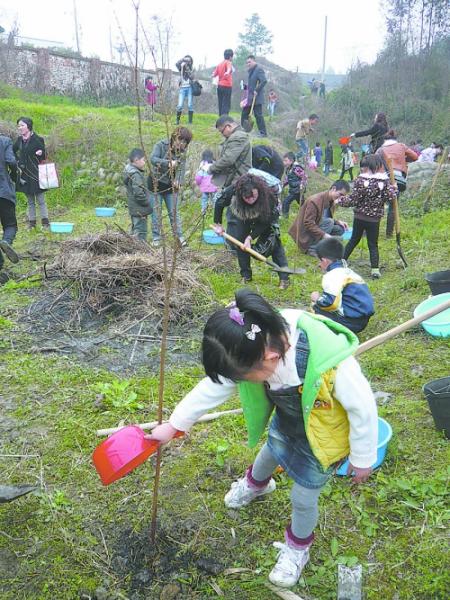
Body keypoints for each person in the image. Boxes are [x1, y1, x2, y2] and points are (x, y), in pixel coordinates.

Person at [150, 289, 378, 588]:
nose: (240, 384)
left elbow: (363, 408)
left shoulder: (331, 362)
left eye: (244, 379)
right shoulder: (251, 340)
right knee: (271, 451)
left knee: (303, 497)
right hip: (289, 422)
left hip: (323, 438)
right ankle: (257, 486)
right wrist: (175, 423)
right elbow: (214, 387)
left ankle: (298, 548)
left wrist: (363, 458)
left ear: (271, 359)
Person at [213, 173, 290, 289]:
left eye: (253, 196)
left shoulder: (268, 197)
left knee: (274, 242)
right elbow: (219, 203)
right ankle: (246, 275)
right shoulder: (234, 190)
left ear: (257, 190)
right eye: (246, 198)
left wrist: (251, 237)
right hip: (243, 214)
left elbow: (265, 222)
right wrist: (218, 224)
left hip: (265, 216)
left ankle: (284, 277)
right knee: (240, 242)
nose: (250, 200)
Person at [337, 154, 397, 279]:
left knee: (354, 240)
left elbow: (353, 199)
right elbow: (390, 198)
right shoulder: (384, 182)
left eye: (363, 167)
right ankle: (375, 270)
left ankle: (341, 261)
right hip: (374, 220)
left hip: (359, 217)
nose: (361, 169)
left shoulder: (360, 181)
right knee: (373, 244)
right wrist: (394, 190)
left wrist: (340, 201)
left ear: (368, 167)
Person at [310, 237, 374, 334]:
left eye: (319, 261)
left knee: (315, 308)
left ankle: (330, 334)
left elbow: (331, 303)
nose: (319, 264)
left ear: (325, 261)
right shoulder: (349, 272)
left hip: (351, 323)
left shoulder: (332, 275)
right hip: (363, 320)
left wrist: (317, 299)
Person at [209, 116, 252, 247]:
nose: (222, 135)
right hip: (235, 181)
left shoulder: (238, 137)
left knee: (234, 217)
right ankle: (234, 246)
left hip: (238, 182)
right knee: (233, 215)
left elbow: (228, 159)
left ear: (229, 126)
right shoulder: (236, 137)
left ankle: (233, 249)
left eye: (222, 131)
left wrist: (212, 168)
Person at [149, 126, 192, 247]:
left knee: (174, 212)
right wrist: (167, 164)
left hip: (171, 187)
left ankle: (179, 237)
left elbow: (181, 168)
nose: (181, 143)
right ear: (174, 137)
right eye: (180, 140)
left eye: (185, 142)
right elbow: (153, 159)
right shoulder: (161, 145)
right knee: (156, 212)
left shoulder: (183, 152)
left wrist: (178, 180)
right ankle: (156, 237)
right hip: (156, 183)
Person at [288, 180, 350, 256]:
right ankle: (311, 249)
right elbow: (308, 223)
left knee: (339, 229)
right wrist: (324, 235)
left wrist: (338, 222)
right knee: (329, 222)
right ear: (333, 188)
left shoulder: (331, 201)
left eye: (343, 196)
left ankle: (323, 247)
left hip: (316, 228)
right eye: (340, 194)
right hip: (304, 234)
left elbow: (322, 218)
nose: (341, 198)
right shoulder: (315, 200)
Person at [376, 130, 418, 237]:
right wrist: (403, 158)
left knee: (377, 204)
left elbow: (374, 163)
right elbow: (415, 157)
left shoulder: (380, 150)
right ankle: (389, 234)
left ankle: (370, 231)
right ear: (395, 140)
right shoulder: (401, 146)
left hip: (382, 179)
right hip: (398, 179)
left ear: (384, 140)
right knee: (393, 206)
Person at [13, 117, 49, 230]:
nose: (20, 128)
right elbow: (12, 151)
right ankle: (32, 223)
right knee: (30, 201)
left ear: (28, 126)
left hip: (37, 173)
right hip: (25, 174)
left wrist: (41, 153)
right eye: (18, 126)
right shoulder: (19, 140)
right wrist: (17, 160)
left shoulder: (38, 139)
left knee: (41, 200)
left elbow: (44, 154)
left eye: (22, 125)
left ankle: (45, 223)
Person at [0, 133, 19, 275]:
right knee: (10, 225)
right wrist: (14, 176)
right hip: (3, 190)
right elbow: (11, 162)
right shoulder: (4, 140)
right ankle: (6, 241)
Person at [123, 148, 152, 241]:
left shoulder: (129, 171)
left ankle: (133, 246)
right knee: (141, 231)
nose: (145, 162)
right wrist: (147, 202)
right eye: (143, 160)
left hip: (134, 207)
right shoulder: (135, 175)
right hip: (139, 208)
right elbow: (138, 193)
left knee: (135, 228)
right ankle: (140, 249)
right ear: (136, 160)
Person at [240, 55, 267, 138]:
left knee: (258, 115)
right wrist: (244, 88)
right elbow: (250, 85)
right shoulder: (250, 71)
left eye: (249, 62)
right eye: (247, 62)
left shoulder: (258, 70)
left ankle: (263, 133)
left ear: (254, 61)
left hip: (256, 97)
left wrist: (257, 90)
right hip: (250, 98)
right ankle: (244, 129)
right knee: (244, 113)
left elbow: (264, 81)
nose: (248, 64)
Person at [281, 152, 307, 217]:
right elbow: (288, 179)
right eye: (284, 160)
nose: (284, 162)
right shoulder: (288, 169)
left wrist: (302, 184)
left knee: (286, 202)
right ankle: (308, 213)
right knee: (302, 204)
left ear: (291, 161)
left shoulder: (297, 168)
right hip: (293, 189)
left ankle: (285, 217)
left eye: (286, 160)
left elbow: (304, 176)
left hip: (298, 189)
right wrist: (283, 185)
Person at [212, 49, 234, 116]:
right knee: (226, 104)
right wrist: (227, 71)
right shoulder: (228, 62)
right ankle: (224, 120)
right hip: (227, 86)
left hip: (220, 86)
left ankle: (220, 119)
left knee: (221, 103)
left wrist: (213, 74)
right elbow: (229, 68)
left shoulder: (219, 64)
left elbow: (214, 75)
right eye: (232, 57)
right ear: (230, 57)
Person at [175, 55, 194, 124]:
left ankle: (190, 122)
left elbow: (192, 77)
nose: (187, 62)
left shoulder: (192, 68)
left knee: (190, 105)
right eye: (186, 60)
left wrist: (187, 67)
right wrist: (183, 59)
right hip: (182, 88)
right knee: (179, 105)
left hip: (189, 88)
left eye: (188, 61)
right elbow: (176, 64)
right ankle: (177, 121)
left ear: (191, 61)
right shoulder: (181, 67)